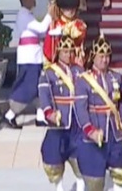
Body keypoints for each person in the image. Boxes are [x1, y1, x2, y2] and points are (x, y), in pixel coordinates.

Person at [74, 35, 122, 191]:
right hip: (95, 134)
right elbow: (81, 110)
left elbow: (121, 104)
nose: (105, 60)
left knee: (120, 175)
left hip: (115, 134)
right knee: (95, 182)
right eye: (101, 56)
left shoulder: (116, 77)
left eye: (107, 56)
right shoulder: (83, 81)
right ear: (93, 57)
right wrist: (90, 131)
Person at [2, 0, 53, 129]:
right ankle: (10, 114)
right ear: (25, 0)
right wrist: (50, 14)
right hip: (29, 57)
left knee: (38, 86)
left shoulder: (28, 15)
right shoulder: (24, 16)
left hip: (34, 56)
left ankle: (40, 116)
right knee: (28, 87)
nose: (34, 0)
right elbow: (42, 28)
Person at [39, 35, 85, 191]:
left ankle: (80, 184)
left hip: (77, 120)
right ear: (58, 52)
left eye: (71, 51)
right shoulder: (49, 72)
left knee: (80, 155)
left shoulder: (79, 71)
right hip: (60, 120)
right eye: (65, 51)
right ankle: (59, 187)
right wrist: (49, 112)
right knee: (54, 156)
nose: (68, 55)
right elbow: (44, 94)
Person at [43, 0, 87, 66]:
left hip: (76, 64)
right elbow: (48, 52)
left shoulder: (80, 25)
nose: (70, 11)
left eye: (72, 8)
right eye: (67, 8)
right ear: (61, 9)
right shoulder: (54, 25)